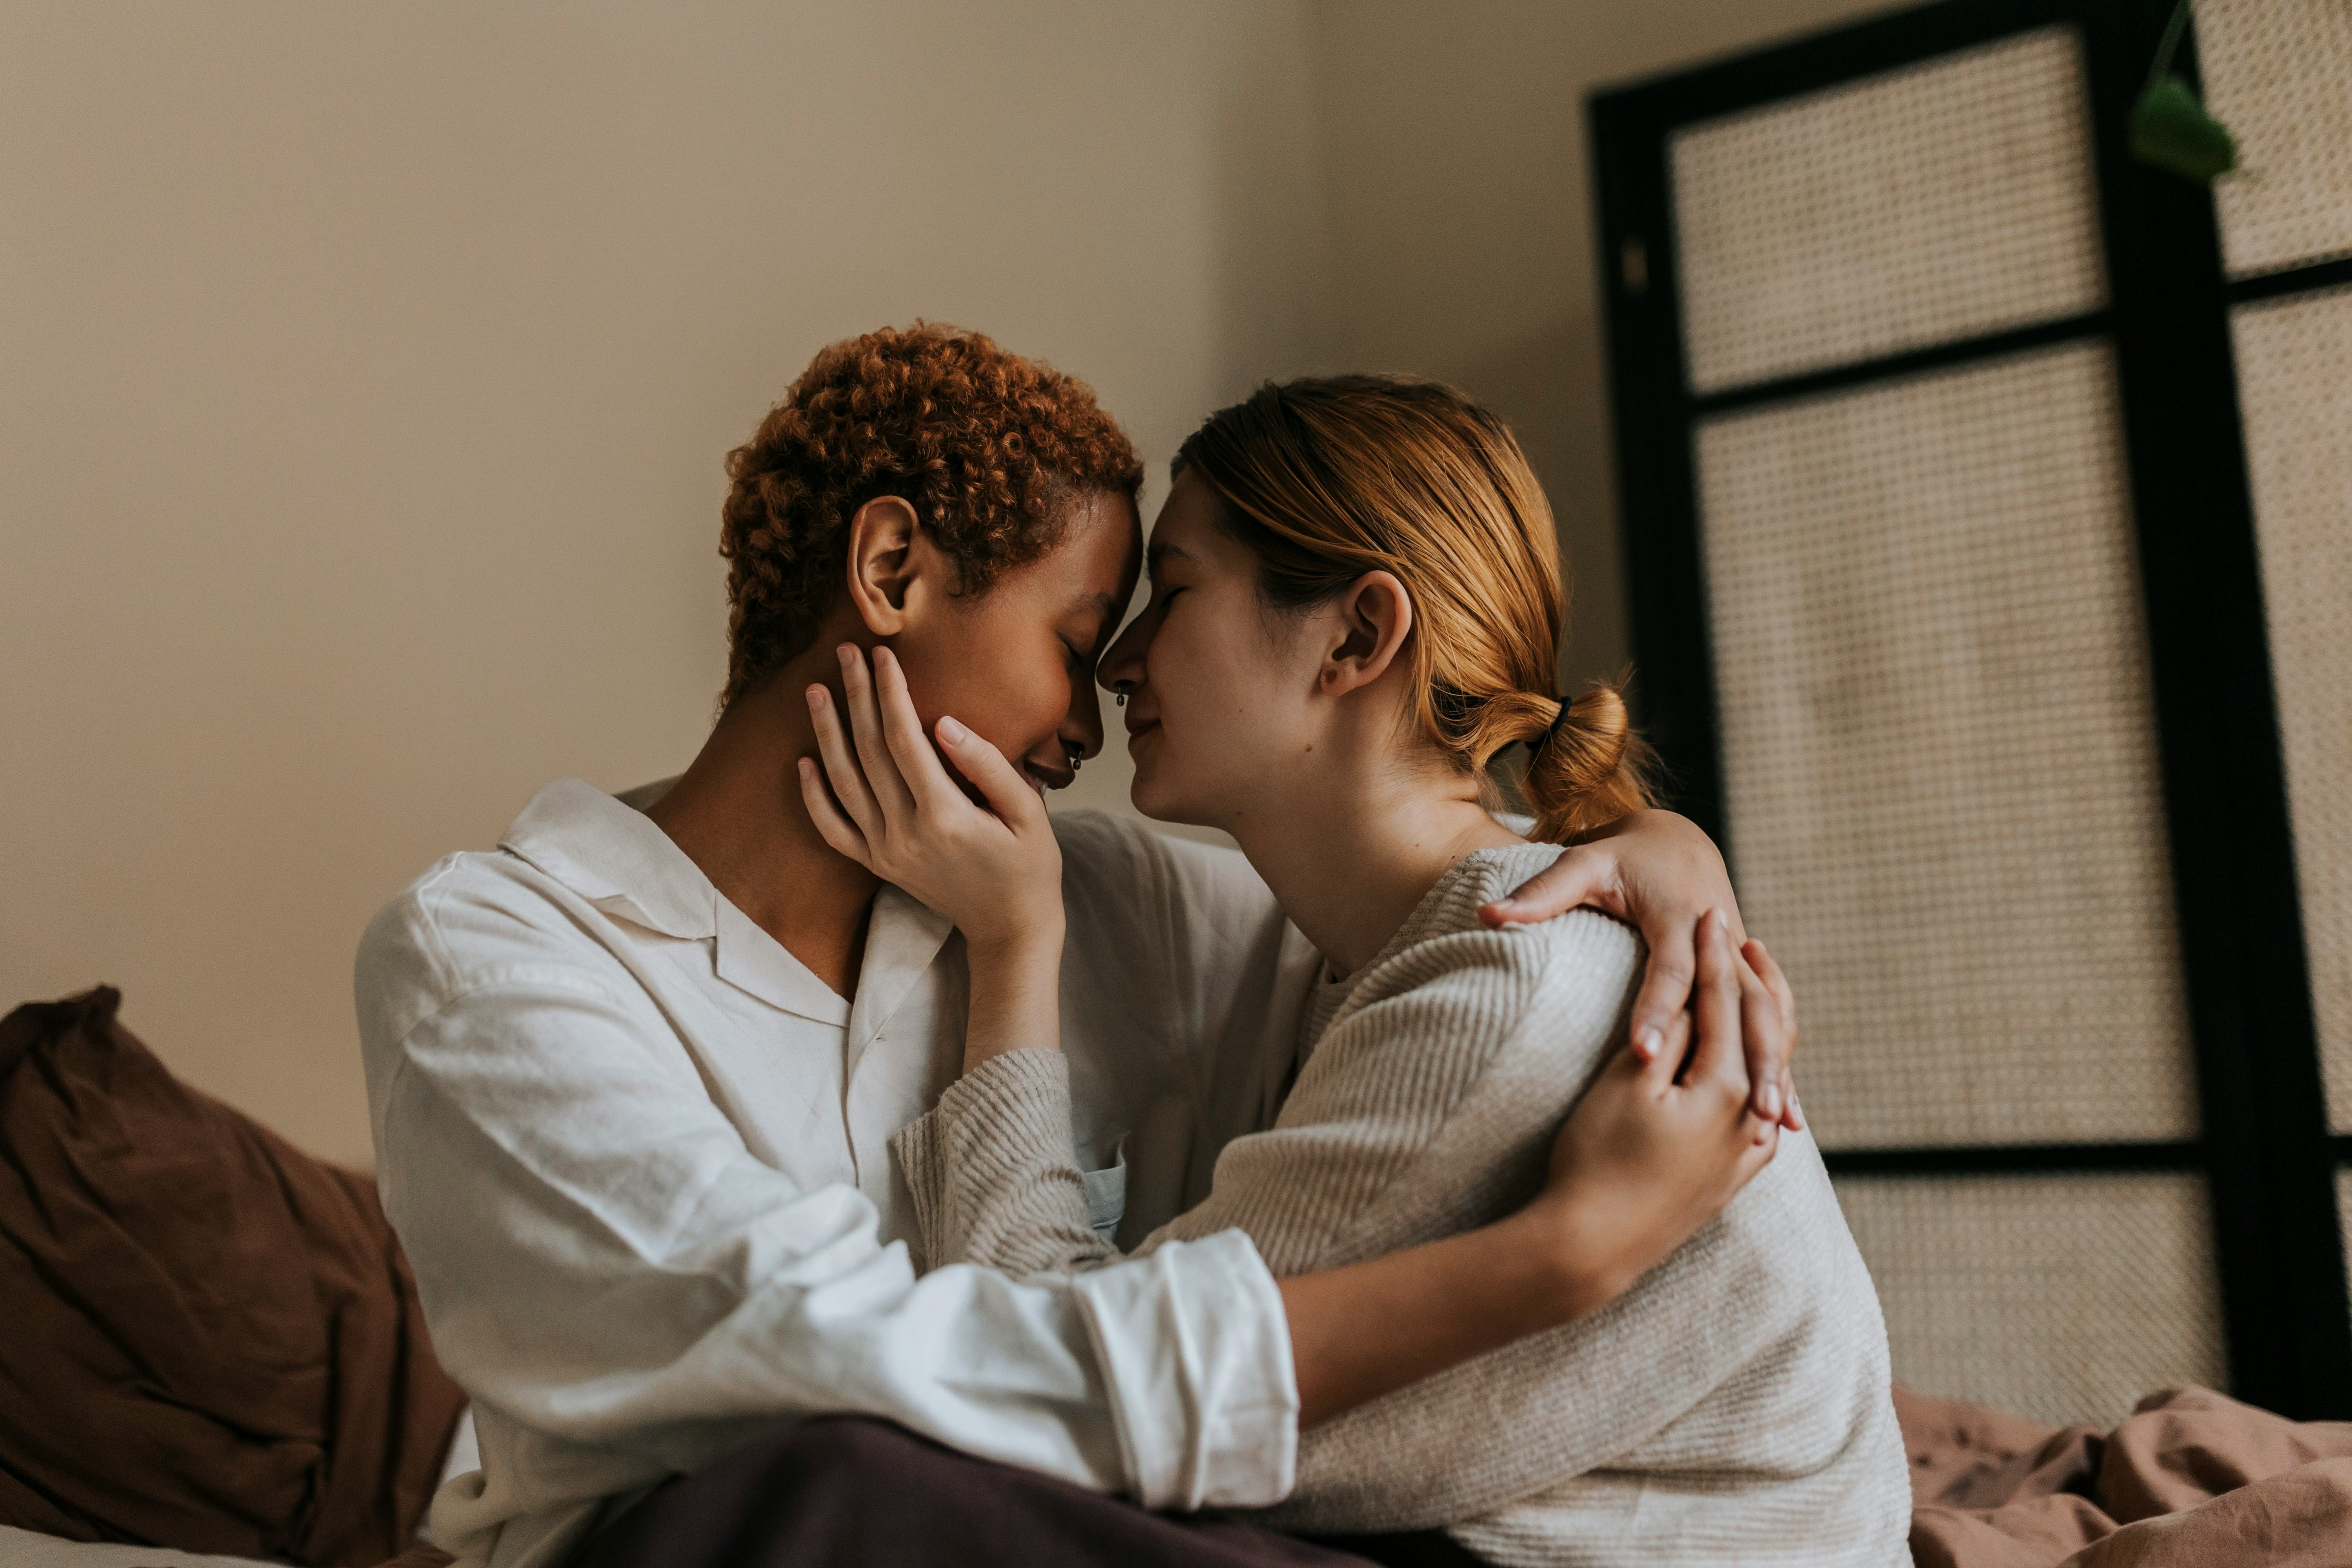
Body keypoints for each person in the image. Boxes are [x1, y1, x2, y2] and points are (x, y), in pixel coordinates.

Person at [354, 327, 1796, 1568]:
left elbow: (1429, 907)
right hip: (741, 1543)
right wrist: (1557, 1259)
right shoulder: (495, 961)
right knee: (835, 1488)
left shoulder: (1091, 895)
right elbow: (860, 1380)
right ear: (891, 569)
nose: (1099, 707)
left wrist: (1656, 850)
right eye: (1078, 635)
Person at [815, 375, 1911, 1565]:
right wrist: (1669, 837)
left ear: (1355, 637)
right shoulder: (1422, 934)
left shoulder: (1495, 1001)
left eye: (1172, 594)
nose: (1118, 665)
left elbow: (1041, 1380)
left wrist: (1012, 943)